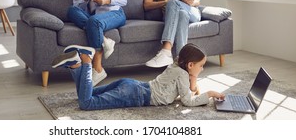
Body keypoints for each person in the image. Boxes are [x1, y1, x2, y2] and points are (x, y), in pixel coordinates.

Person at [51, 43, 225, 110]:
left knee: (88, 93)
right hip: (135, 95)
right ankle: (87, 62)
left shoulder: (176, 66)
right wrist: (209, 94)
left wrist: (193, 78)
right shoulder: (182, 74)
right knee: (86, 103)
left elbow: (191, 90)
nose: (202, 69)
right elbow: (188, 100)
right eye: (201, 66)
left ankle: (75, 65)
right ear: (190, 65)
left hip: (132, 84)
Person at [67, 0, 127, 86]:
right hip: (94, 16)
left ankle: (97, 68)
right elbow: (76, 5)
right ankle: (104, 40)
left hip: (114, 13)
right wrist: (86, 0)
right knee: (71, 10)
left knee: (93, 22)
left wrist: (107, 1)